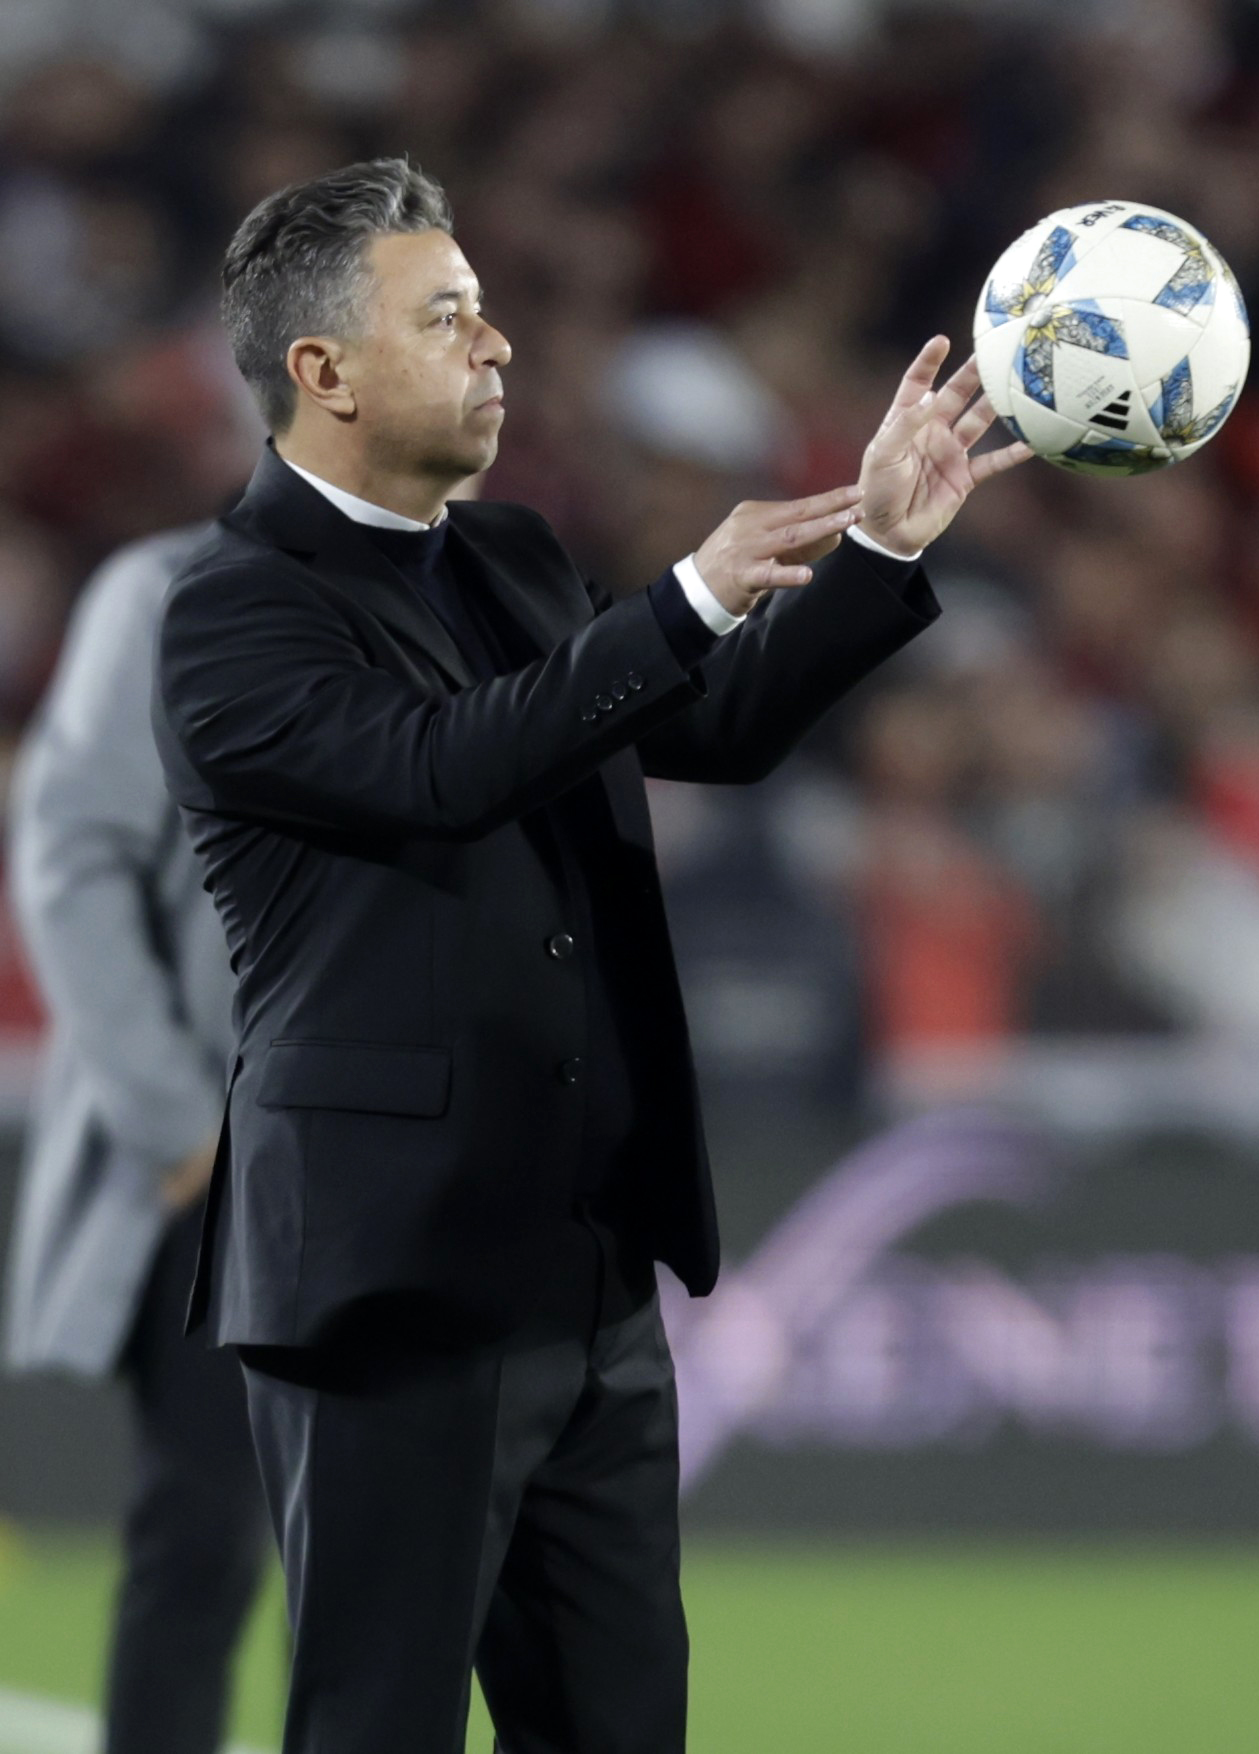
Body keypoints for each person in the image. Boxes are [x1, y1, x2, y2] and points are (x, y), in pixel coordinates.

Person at [152, 157, 1026, 1754]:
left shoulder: (512, 560)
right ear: (321, 371)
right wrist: (691, 592)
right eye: (448, 315)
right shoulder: (232, 613)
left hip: (588, 1286)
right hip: (391, 1290)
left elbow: (717, 724)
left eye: (486, 311)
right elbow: (445, 768)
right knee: (375, 1728)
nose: (496, 346)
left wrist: (883, 553)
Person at [4, 522, 269, 1754]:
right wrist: (177, 1116)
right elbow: (69, 854)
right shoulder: (168, 588)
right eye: (444, 321)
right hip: (231, 1157)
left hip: (399, 1152)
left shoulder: (469, 586)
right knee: (204, 1531)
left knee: (410, 1550)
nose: (487, 358)